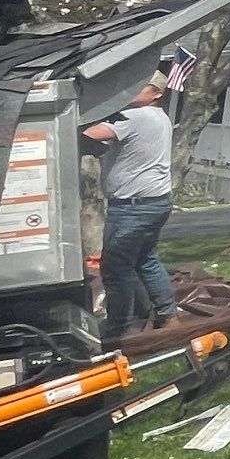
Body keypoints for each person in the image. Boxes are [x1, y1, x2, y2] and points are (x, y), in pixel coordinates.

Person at [84, 80, 177, 335]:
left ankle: (120, 327)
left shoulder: (136, 116)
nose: (133, 89)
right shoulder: (159, 116)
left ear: (157, 93)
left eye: (143, 86)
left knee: (116, 268)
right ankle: (167, 315)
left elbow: (90, 134)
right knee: (146, 259)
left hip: (133, 206)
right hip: (155, 202)